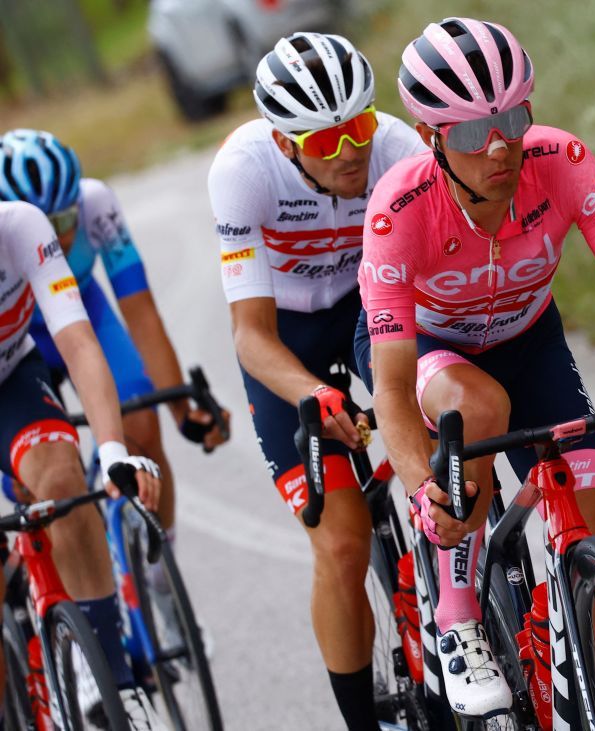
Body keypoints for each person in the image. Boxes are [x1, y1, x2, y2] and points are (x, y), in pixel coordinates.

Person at [356, 17, 595, 722]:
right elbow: (394, 392)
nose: (499, 146)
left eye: (512, 118)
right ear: (433, 139)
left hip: (531, 339)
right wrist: (423, 485)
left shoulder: (561, 158)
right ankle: (459, 615)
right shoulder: (397, 211)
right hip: (438, 352)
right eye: (470, 133)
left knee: (594, 525)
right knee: (480, 409)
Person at [206, 31, 425, 729]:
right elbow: (251, 335)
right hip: (289, 336)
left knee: (445, 422)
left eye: (357, 125)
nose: (350, 148)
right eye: (325, 139)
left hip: (373, 312)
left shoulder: (398, 149)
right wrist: (311, 394)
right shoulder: (242, 171)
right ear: (284, 142)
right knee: (340, 541)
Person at [0, 129, 231, 600]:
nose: (60, 232)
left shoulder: (96, 203)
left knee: (140, 421)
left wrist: (182, 412)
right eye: (47, 220)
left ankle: (160, 583)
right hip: (24, 333)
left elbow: (140, 312)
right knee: (34, 483)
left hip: (81, 312)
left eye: (66, 217)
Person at [0, 199, 166, 728]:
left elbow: (77, 340)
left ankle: (112, 681)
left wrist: (113, 449)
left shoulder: (21, 225)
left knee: (64, 479)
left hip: (11, 379)